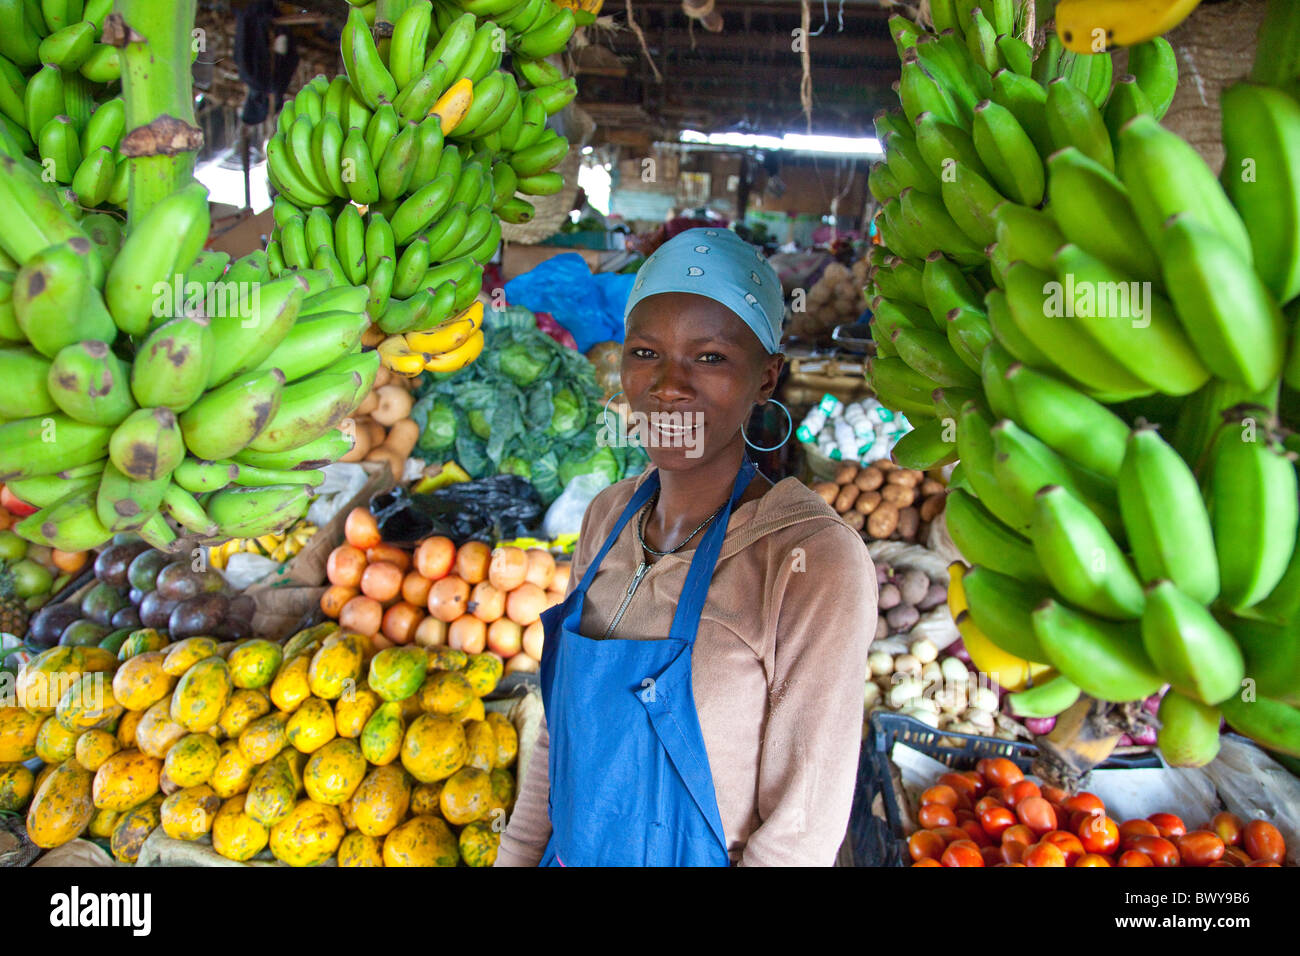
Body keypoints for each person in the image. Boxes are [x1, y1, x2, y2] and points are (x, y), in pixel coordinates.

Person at [495, 227, 878, 867]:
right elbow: (560, 744)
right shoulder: (606, 517)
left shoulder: (810, 562)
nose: (669, 384)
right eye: (645, 352)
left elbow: (799, 835)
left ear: (767, 378)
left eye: (710, 358)